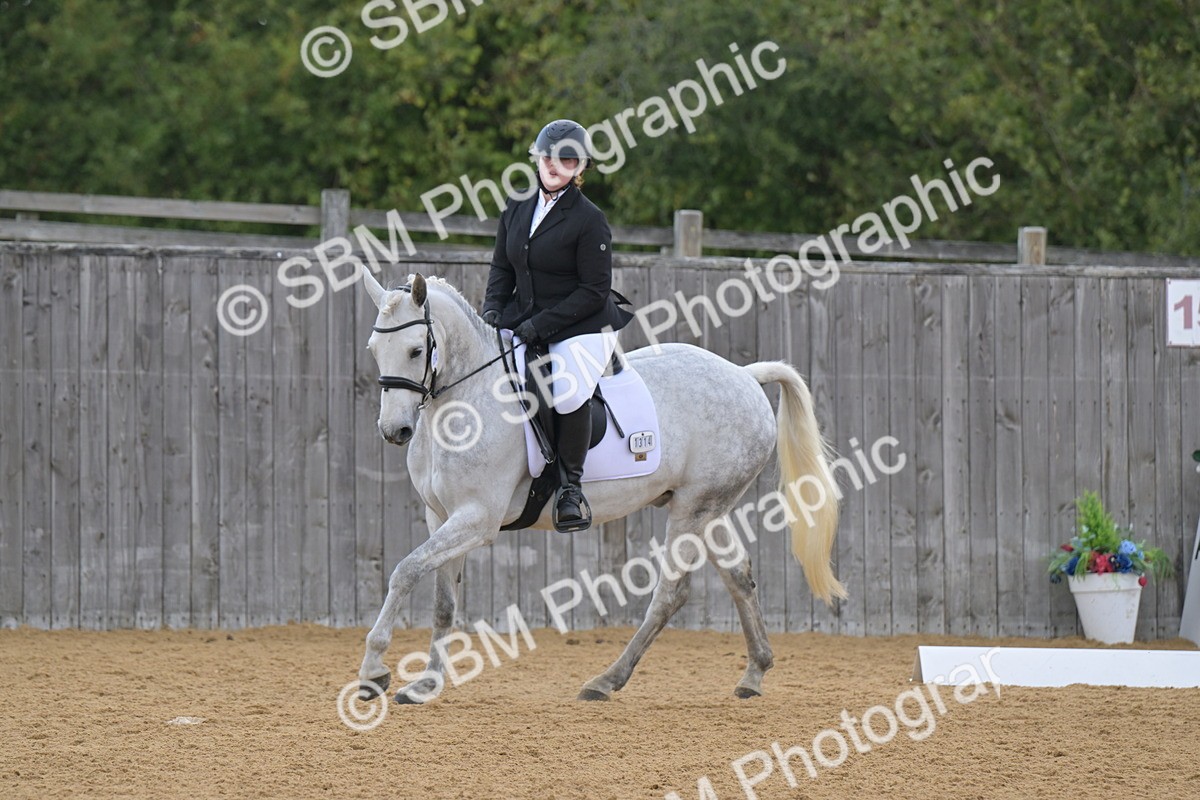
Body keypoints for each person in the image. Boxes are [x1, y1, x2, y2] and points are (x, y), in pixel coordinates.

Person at [482, 119, 633, 532]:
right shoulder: (516, 204)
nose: (554, 164)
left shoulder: (589, 219)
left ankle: (570, 488)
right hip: (527, 316)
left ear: (579, 167)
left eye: (565, 159)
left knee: (565, 392)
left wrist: (541, 325)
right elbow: (501, 266)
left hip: (582, 324)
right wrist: (492, 310)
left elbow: (594, 290)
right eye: (547, 156)